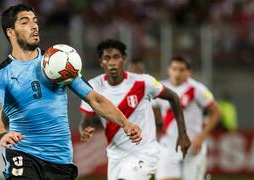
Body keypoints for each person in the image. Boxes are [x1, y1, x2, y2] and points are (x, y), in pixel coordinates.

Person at [0, 4, 142, 180]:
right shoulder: (1, 75)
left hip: (60, 160)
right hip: (23, 153)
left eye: (35, 21)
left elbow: (94, 99)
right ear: (10, 32)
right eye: (25, 22)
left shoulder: (57, 62)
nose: (34, 26)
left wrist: (126, 123)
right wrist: (2, 134)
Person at [78, 39, 191, 180]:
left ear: (124, 59)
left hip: (144, 152)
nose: (112, 62)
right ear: (101, 62)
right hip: (115, 155)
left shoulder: (143, 82)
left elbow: (173, 97)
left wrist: (183, 134)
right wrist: (85, 130)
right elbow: (85, 121)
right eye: (107, 58)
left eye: (116, 57)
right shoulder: (93, 87)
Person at [153, 56, 221, 180]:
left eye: (181, 69)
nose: (177, 73)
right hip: (168, 146)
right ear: (169, 69)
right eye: (174, 69)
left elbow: (216, 113)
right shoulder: (160, 88)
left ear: (189, 72)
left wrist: (201, 137)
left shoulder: (197, 89)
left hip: (193, 147)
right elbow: (149, 110)